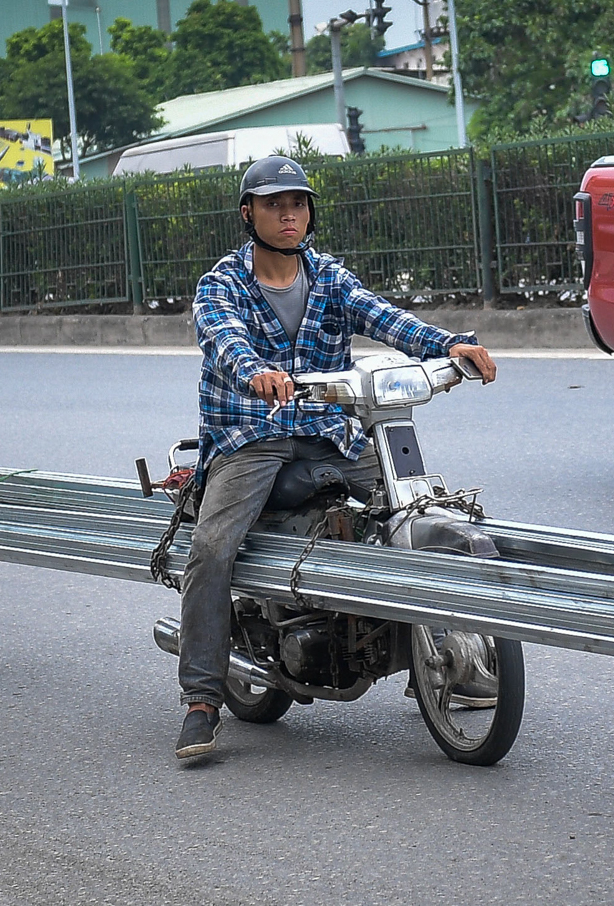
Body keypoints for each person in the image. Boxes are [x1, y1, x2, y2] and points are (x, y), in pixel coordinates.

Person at [175, 155, 497, 759]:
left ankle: (439, 655)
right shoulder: (221, 284)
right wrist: (256, 373)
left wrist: (451, 345)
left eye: (297, 203)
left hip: (327, 429)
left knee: (416, 509)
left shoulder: (328, 278)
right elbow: (223, 340)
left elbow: (386, 318)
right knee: (213, 547)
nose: (287, 214)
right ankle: (201, 699)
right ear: (249, 214)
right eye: (273, 205)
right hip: (252, 433)